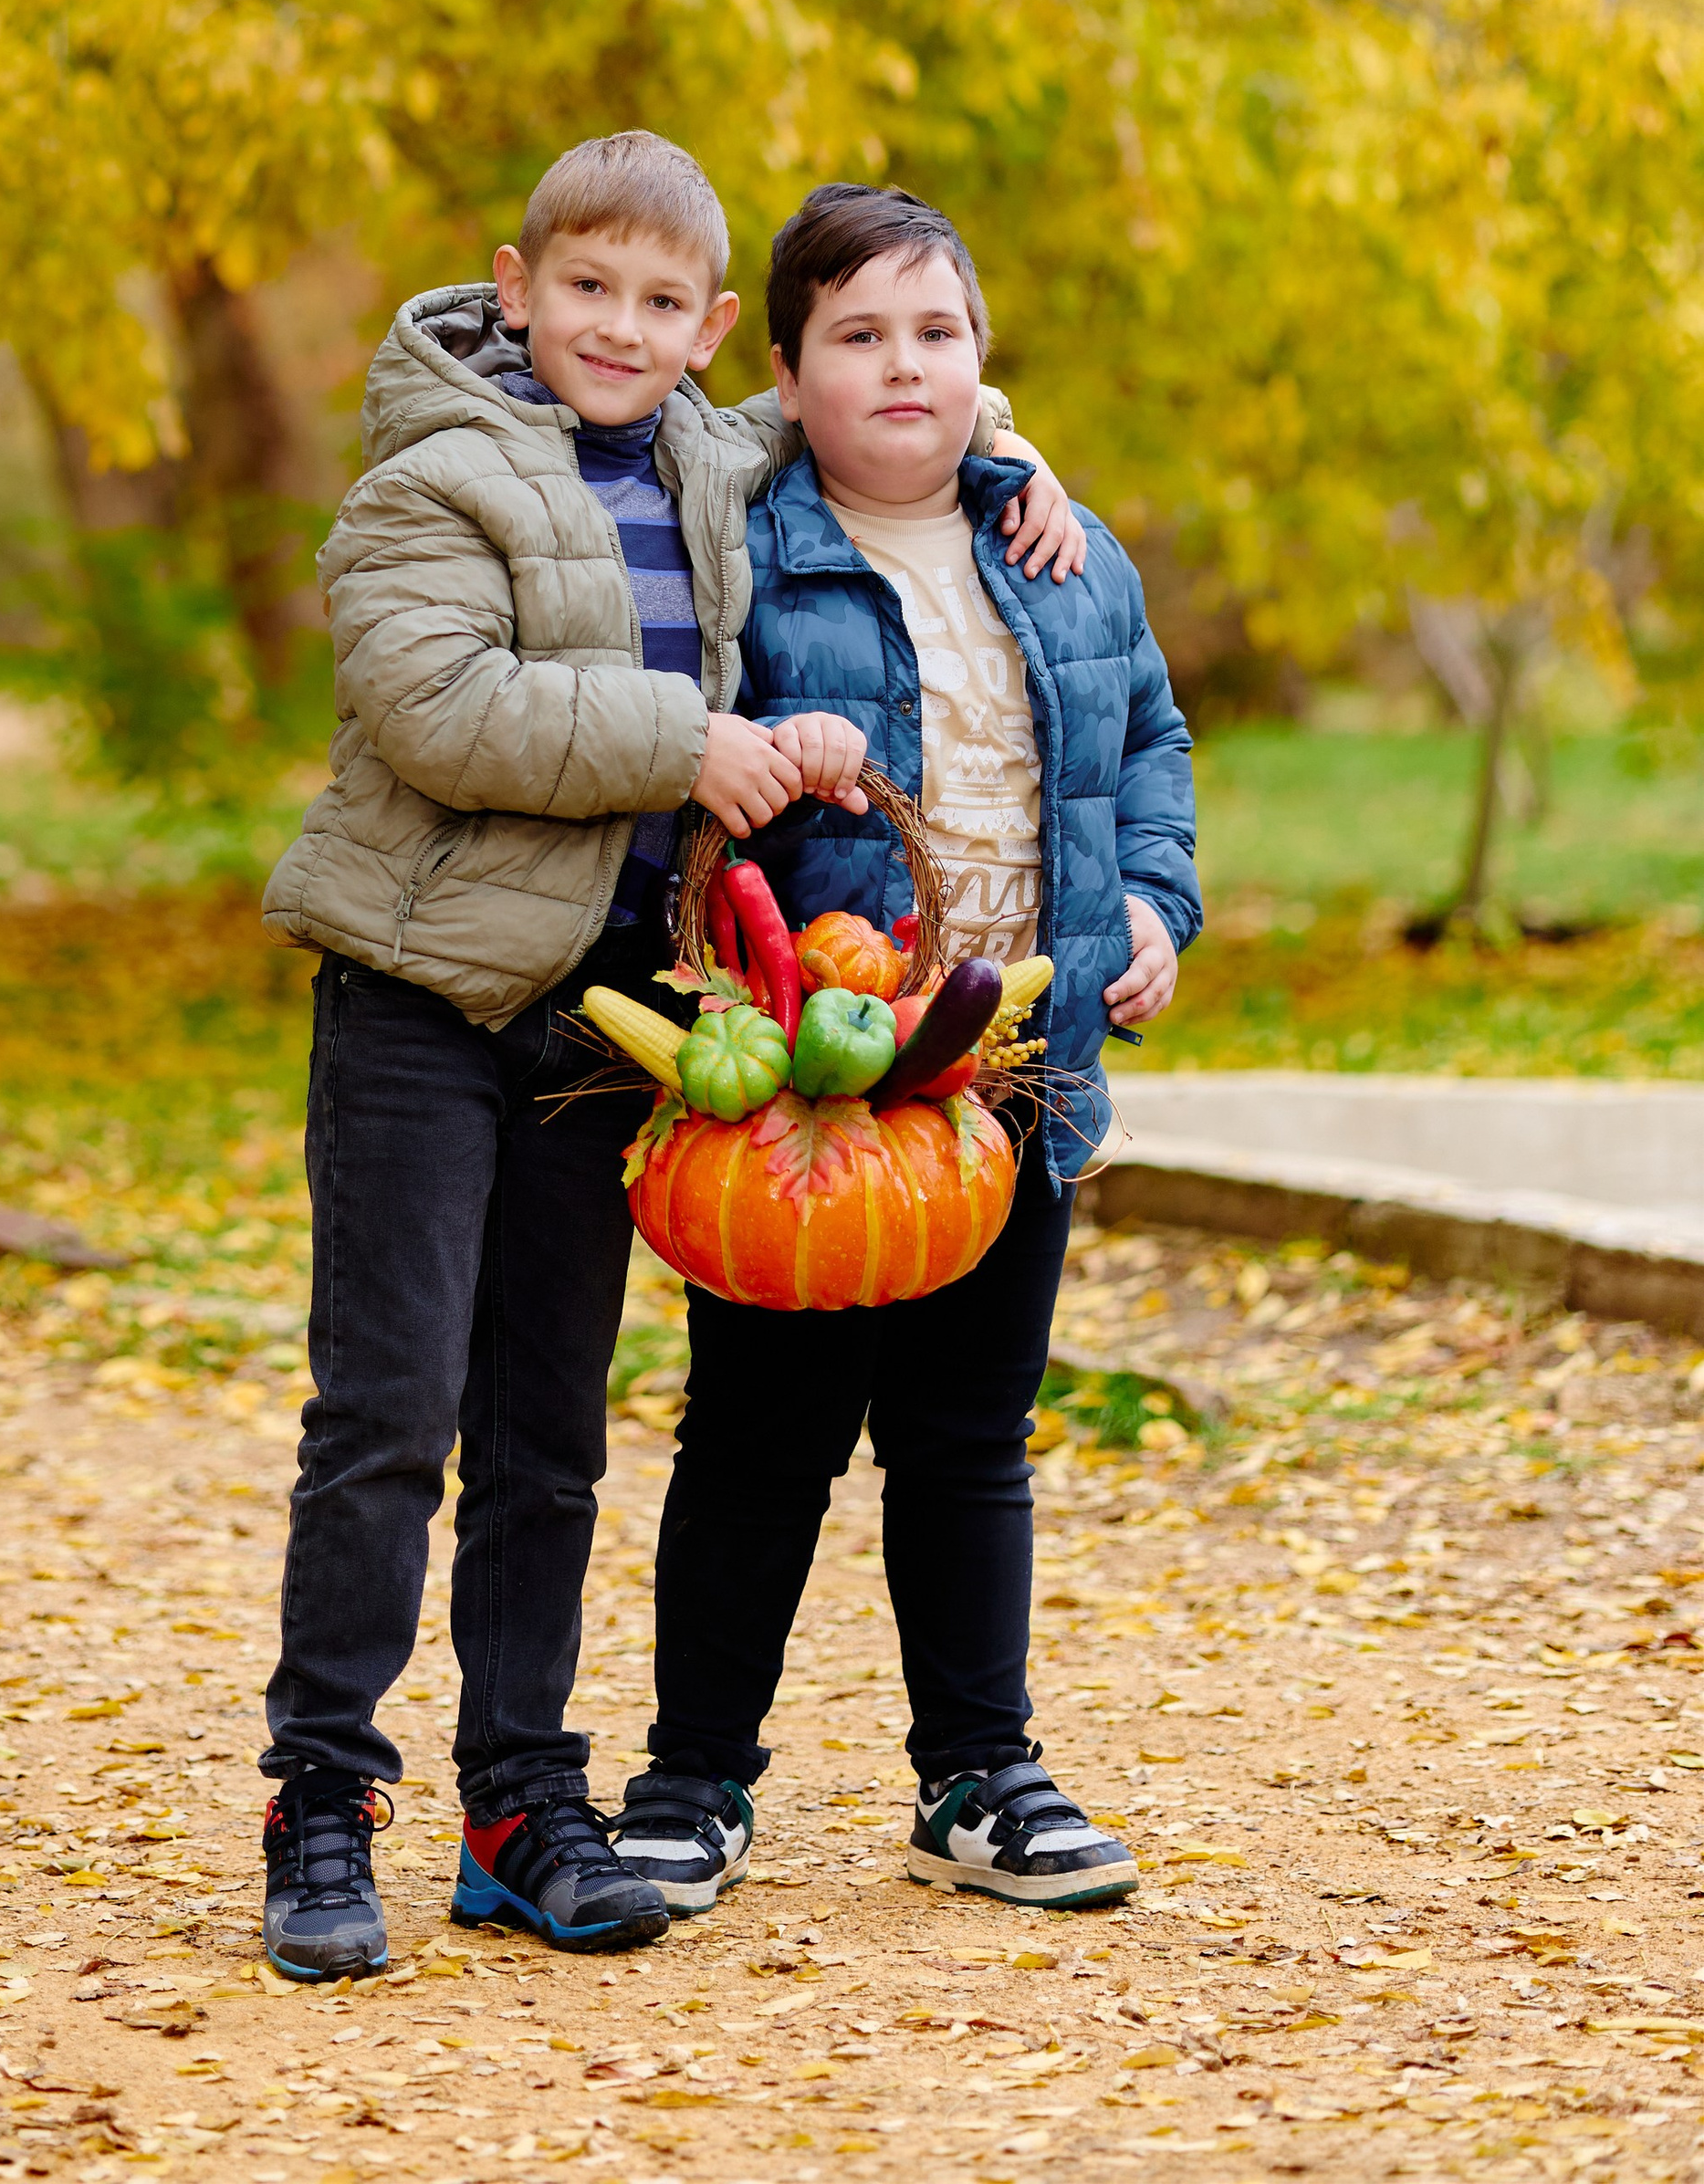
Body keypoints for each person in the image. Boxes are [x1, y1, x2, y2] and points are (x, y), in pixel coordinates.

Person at [255, 133, 1080, 1980]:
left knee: (545, 1433)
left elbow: (877, 399)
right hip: (418, 1001)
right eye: (584, 290)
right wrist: (688, 744)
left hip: (600, 1019)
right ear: (515, 288)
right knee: (386, 1418)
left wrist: (1013, 454)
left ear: (706, 330)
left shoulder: (708, 459)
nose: (617, 330)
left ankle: (517, 1804)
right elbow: (438, 705)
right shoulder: (424, 476)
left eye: (656, 304)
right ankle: (320, 1800)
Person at [612, 183, 1199, 1919]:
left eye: (938, 335)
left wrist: (1156, 900)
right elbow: (681, 773)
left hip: (1013, 1073)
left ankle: (979, 1775)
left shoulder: (1066, 556)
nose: (902, 368)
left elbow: (1148, 741)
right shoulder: (744, 555)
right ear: (787, 374)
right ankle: (693, 1777)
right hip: (816, 1083)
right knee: (760, 1438)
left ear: (982, 362)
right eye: (858, 336)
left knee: (969, 1435)